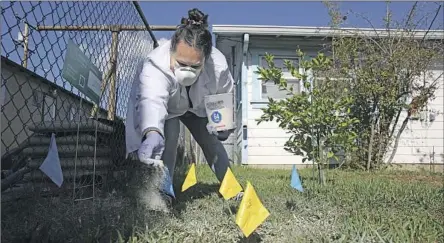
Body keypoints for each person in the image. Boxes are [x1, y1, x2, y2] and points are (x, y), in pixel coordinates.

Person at [125, 8, 241, 206]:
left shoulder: (218, 65)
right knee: (168, 142)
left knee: (211, 143)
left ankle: (231, 189)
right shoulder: (156, 63)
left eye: (195, 66)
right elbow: (151, 100)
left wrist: (224, 126)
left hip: (198, 109)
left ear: (206, 58)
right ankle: (165, 193)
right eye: (180, 63)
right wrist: (152, 131)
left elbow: (224, 97)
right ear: (171, 50)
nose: (187, 71)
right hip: (168, 109)